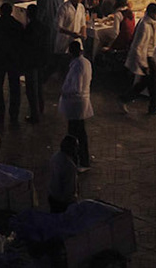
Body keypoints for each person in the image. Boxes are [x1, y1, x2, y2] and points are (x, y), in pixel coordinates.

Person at [118, 3, 156, 116]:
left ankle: (125, 99)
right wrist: (143, 65)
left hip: (148, 56)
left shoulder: (152, 23)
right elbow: (138, 47)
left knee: (147, 83)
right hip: (146, 57)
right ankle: (151, 106)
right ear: (152, 13)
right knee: (153, 82)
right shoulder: (144, 25)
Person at [59, 38, 93, 168]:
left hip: (76, 103)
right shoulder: (85, 62)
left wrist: (64, 92)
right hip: (80, 102)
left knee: (77, 132)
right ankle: (75, 157)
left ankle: (82, 160)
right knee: (76, 131)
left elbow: (76, 87)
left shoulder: (77, 65)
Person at [46, 134, 82, 213]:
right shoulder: (69, 165)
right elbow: (70, 188)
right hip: (63, 202)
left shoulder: (55, 157)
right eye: (76, 147)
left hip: (53, 196)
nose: (77, 149)